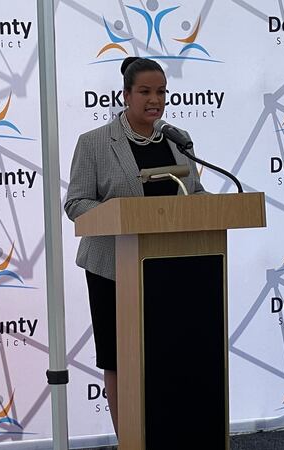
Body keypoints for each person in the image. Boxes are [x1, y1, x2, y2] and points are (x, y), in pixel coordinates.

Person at [64, 57, 206, 434]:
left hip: (172, 268)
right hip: (113, 266)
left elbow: (196, 196)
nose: (154, 100)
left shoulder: (178, 143)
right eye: (145, 92)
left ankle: (168, 434)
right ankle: (128, 437)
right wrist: (122, 215)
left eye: (161, 92)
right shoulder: (94, 143)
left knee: (169, 356)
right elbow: (76, 203)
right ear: (126, 95)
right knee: (120, 358)